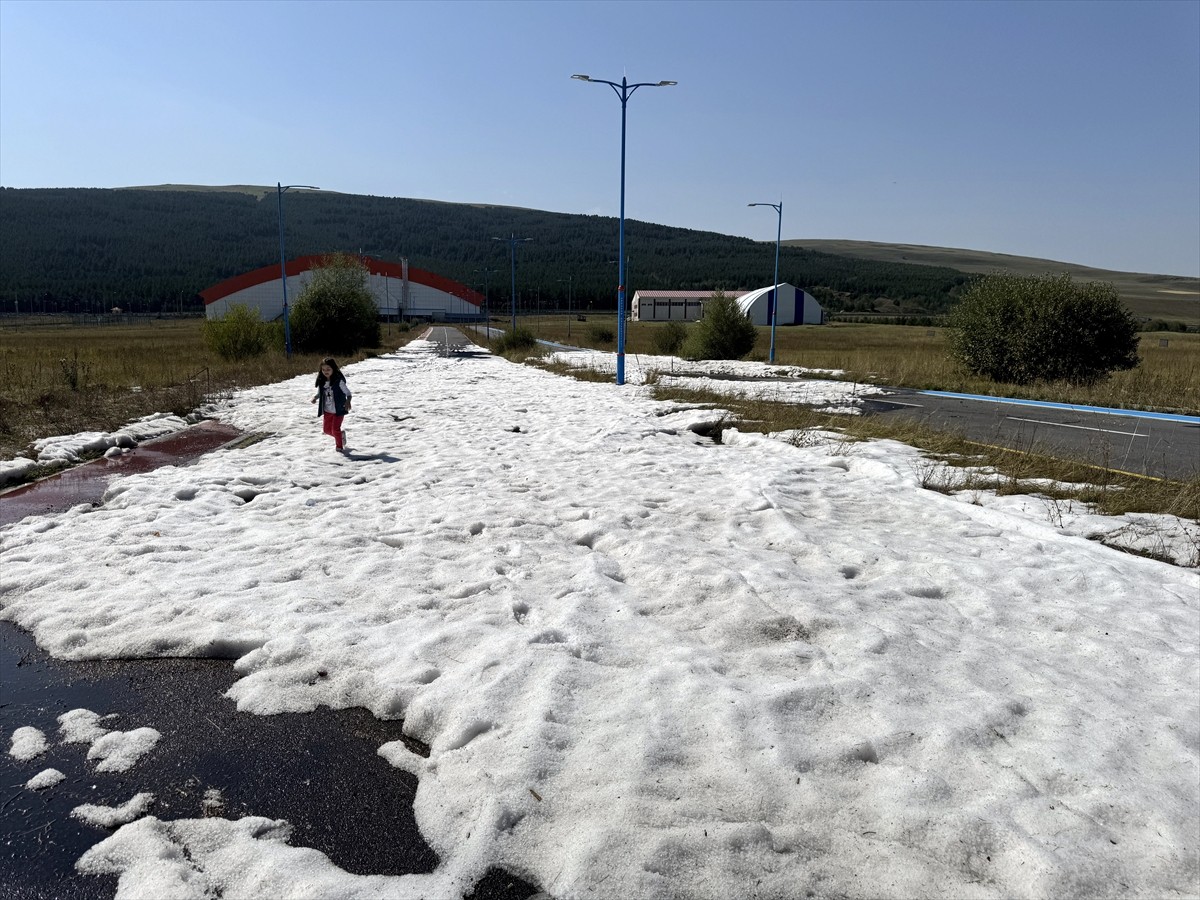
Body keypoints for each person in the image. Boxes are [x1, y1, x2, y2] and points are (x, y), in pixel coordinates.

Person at [311, 357, 352, 452]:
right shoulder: (322, 382)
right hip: (327, 410)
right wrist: (315, 398)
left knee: (335, 429)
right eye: (323, 369)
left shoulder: (339, 381)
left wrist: (348, 400)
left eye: (328, 369)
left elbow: (348, 393)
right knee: (327, 430)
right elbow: (320, 393)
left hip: (338, 410)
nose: (326, 371)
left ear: (333, 369)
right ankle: (340, 436)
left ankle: (339, 447)